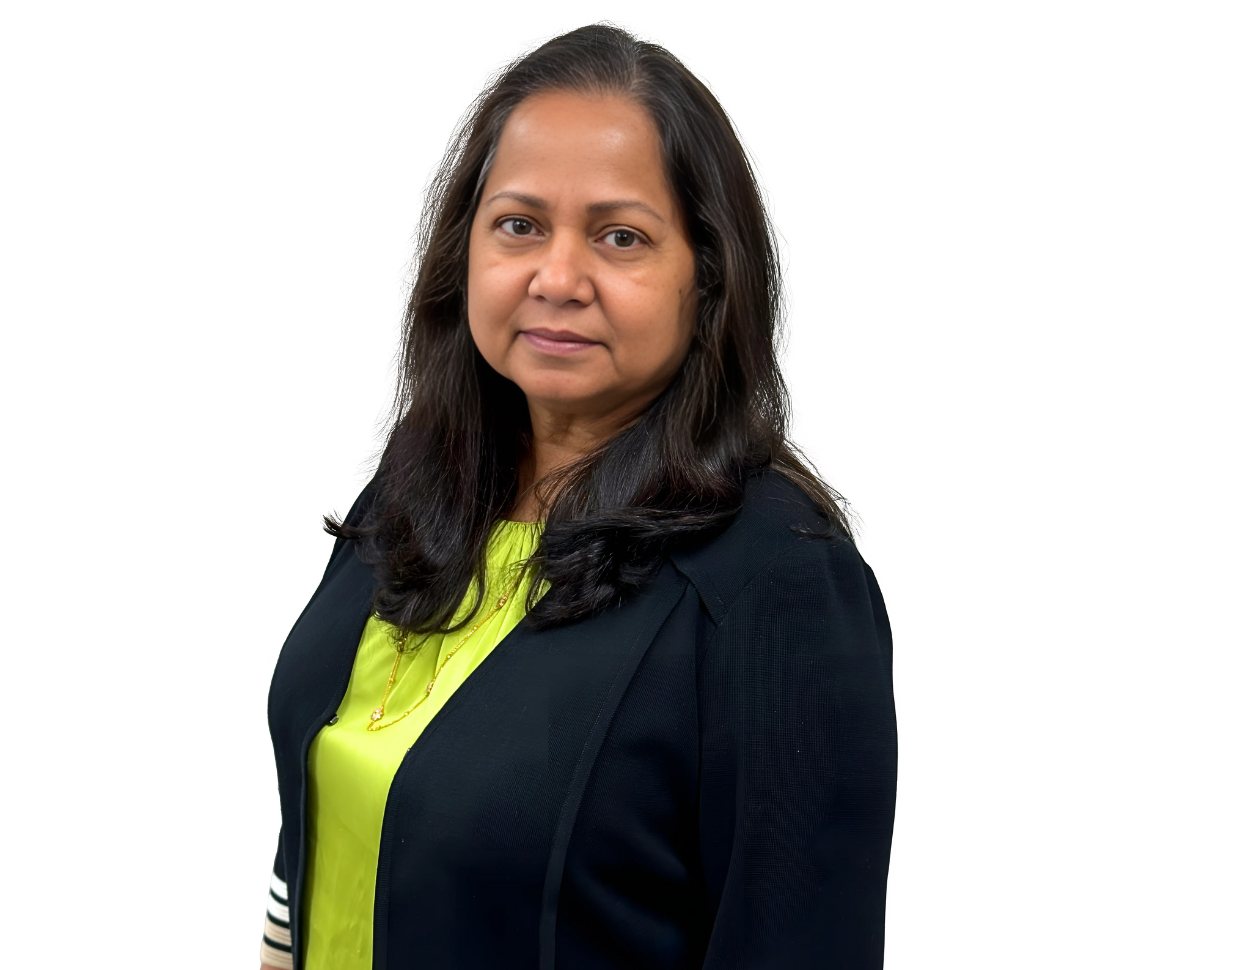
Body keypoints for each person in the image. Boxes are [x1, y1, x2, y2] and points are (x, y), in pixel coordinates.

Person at [260, 17, 895, 970]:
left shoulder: (776, 580)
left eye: (621, 237)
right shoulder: (410, 502)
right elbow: (319, 817)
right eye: (519, 225)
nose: (558, 278)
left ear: (707, 279)